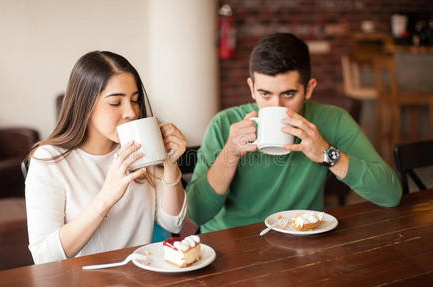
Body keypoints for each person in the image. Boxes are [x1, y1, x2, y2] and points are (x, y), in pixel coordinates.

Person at [186, 33, 401, 233]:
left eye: (289, 94)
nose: (276, 106)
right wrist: (230, 154)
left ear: (309, 89)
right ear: (252, 88)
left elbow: (390, 195)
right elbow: (197, 214)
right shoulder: (224, 124)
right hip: (232, 244)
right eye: (265, 94)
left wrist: (326, 154)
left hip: (300, 241)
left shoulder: (332, 121)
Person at [25, 51, 187, 264]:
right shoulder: (49, 160)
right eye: (115, 103)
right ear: (86, 104)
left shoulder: (139, 147)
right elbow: (44, 257)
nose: (131, 112)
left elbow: (173, 223)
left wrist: (170, 164)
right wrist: (106, 197)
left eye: (135, 100)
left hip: (140, 279)